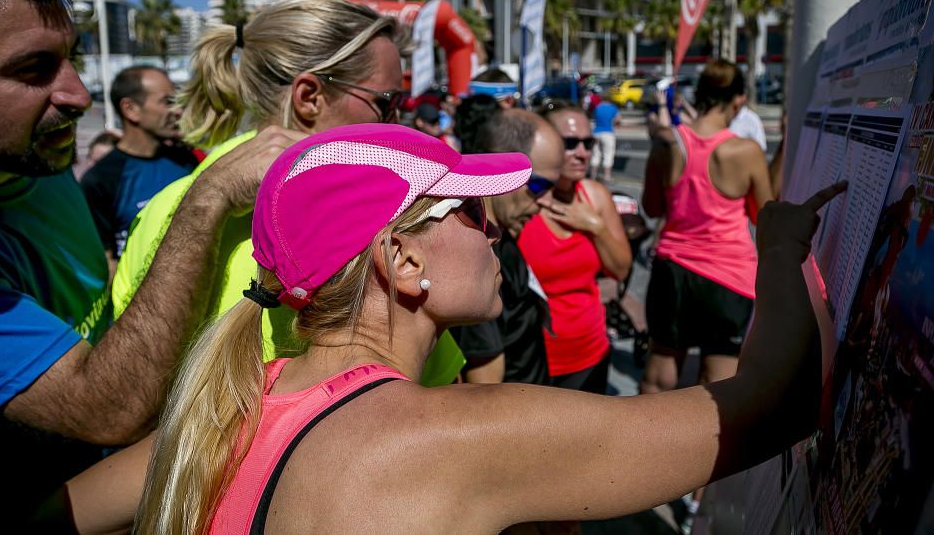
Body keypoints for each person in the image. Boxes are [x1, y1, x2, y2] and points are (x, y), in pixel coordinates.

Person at [93, 122, 842, 534]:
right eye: (473, 213)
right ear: (402, 258)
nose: (496, 233)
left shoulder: (222, 410)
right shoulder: (454, 436)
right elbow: (776, 401)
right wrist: (774, 248)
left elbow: (47, 514)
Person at [0, 0, 299, 525]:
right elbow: (106, 408)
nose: (77, 94)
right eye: (32, 70)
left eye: (72, 59)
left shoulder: (39, 166)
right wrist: (205, 201)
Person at [111, 0, 465, 386]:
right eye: (388, 102)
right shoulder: (366, 214)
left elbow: (132, 386)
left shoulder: (163, 206)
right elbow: (436, 391)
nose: (400, 122)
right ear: (309, 97)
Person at [640, 60, 774, 519]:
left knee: (660, 377)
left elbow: (652, 206)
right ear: (738, 100)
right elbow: (763, 214)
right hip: (728, 278)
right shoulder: (745, 150)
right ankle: (697, 500)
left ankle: (640, 478)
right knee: (716, 389)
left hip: (673, 271)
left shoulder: (667, 144)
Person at [520, 100, 632, 394]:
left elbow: (620, 269)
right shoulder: (519, 203)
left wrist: (594, 226)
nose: (582, 153)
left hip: (589, 354)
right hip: (531, 359)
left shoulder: (595, 196)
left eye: (588, 142)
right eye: (570, 143)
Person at [450, 96, 563, 384]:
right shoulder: (475, 255)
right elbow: (485, 389)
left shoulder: (500, 233)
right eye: (539, 186)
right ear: (503, 169)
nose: (547, 201)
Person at [80, 65, 198, 265]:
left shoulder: (186, 161)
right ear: (131, 109)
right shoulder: (101, 179)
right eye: (167, 102)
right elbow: (103, 262)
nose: (177, 111)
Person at [590, 93, 620, 182]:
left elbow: (594, 117)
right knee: (608, 154)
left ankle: (592, 175)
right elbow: (618, 119)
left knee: (595, 154)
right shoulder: (613, 108)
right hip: (608, 132)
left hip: (596, 132)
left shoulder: (597, 107)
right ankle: (607, 176)